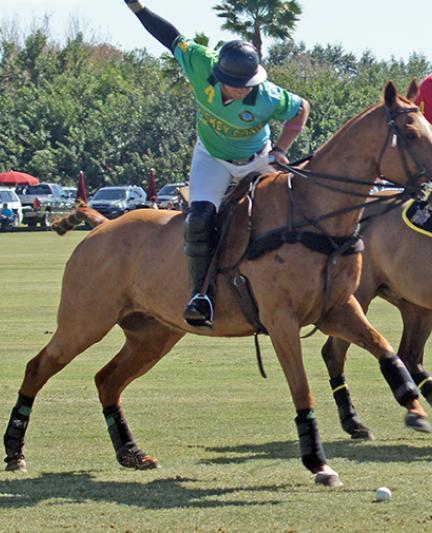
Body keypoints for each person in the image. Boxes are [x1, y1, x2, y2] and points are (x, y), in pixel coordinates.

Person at [124, 1, 310, 327]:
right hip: (212, 158)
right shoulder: (200, 63)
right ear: (218, 72)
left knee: (294, 208)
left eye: (245, 85)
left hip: (257, 160)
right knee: (199, 220)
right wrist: (136, 7)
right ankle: (202, 294)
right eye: (232, 83)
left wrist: (281, 149)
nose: (238, 89)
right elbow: (168, 36)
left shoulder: (268, 96)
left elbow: (300, 111)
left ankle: (310, 284)